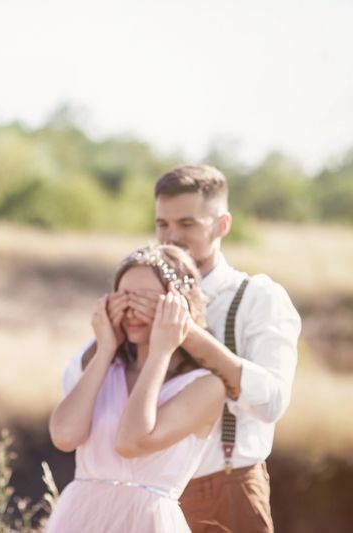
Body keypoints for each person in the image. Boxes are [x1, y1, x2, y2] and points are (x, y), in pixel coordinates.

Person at [146, 165, 301, 532]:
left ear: (222, 225)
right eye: (162, 225)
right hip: (150, 493)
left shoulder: (259, 297)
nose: (171, 238)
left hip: (225, 488)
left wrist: (191, 336)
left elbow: (271, 401)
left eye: (187, 224)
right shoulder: (145, 295)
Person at [47, 244, 226, 533]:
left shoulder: (206, 386)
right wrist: (105, 348)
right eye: (125, 298)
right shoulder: (103, 371)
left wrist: (161, 351)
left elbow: (130, 442)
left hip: (147, 522)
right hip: (78, 518)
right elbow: (65, 436)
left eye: (148, 300)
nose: (133, 310)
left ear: (179, 306)